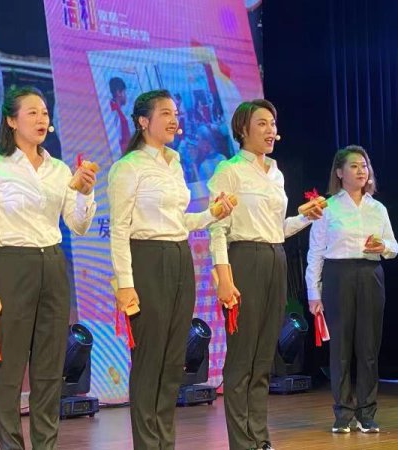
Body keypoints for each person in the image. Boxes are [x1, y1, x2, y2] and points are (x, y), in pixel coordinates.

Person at [0, 86, 97, 449]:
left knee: (49, 369)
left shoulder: (59, 170)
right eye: (32, 113)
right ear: (12, 121)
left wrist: (85, 192)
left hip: (53, 266)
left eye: (45, 113)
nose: (42, 119)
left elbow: (78, 225)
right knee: (9, 369)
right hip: (11, 266)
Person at [107, 89, 234, 450]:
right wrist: (125, 284)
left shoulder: (175, 162)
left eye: (175, 113)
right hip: (146, 260)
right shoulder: (127, 167)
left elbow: (179, 220)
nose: (174, 119)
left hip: (180, 258)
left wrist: (212, 214)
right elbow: (119, 229)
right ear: (143, 121)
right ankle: (147, 443)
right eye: (165, 113)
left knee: (173, 357)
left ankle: (165, 441)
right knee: (149, 358)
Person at [208, 99, 322, 450]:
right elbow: (217, 229)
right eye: (262, 123)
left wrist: (304, 217)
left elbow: (275, 228)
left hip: (275, 258)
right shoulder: (229, 171)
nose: (271, 129)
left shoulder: (276, 173)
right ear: (243, 129)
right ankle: (241, 442)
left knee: (263, 358)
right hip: (243, 259)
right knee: (242, 355)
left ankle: (260, 438)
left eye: (272, 123)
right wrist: (224, 278)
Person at [305, 145, 397, 434]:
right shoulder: (328, 207)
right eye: (354, 166)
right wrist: (313, 293)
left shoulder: (377, 208)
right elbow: (315, 253)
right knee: (341, 348)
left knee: (369, 347)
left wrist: (382, 246)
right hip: (338, 276)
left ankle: (367, 413)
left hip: (371, 275)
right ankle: (343, 413)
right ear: (339, 172)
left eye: (364, 166)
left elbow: (393, 247)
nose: (361, 171)